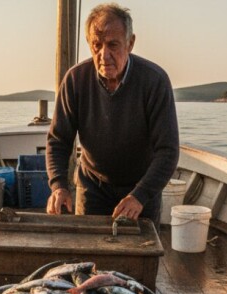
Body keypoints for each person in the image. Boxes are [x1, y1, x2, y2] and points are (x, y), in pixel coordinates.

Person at [46, 2, 179, 223]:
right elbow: (58, 140)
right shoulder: (75, 80)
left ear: (130, 43)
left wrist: (140, 195)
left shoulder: (154, 81)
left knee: (142, 252)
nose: (104, 55)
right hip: (92, 187)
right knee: (90, 252)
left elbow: (167, 150)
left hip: (141, 188)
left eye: (113, 45)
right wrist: (58, 185)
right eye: (96, 45)